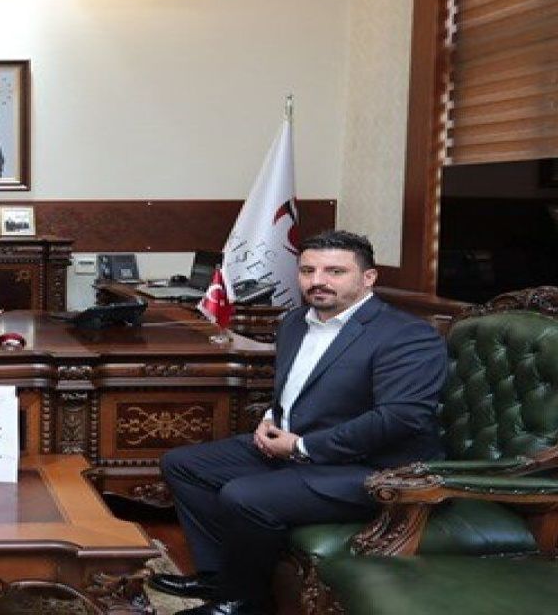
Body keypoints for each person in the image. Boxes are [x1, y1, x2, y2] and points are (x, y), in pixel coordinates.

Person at [148, 230, 447, 615]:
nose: (318, 281)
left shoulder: (407, 335)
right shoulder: (294, 321)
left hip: (377, 468)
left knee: (244, 495)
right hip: (299, 444)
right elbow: (294, 388)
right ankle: (218, 577)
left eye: (335, 271)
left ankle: (245, 601)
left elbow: (401, 418)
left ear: (368, 278)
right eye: (308, 271)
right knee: (183, 465)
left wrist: (301, 447)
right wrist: (270, 418)